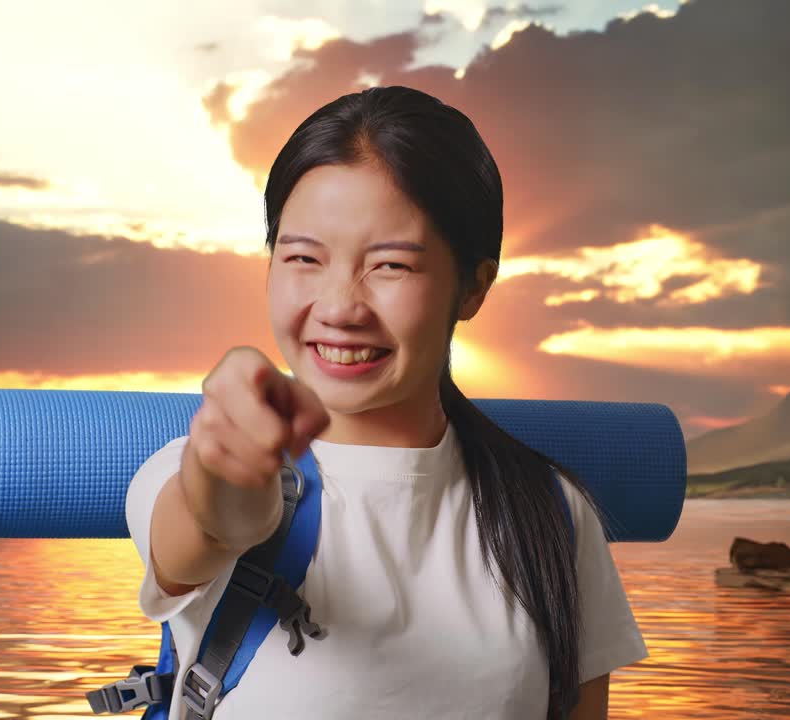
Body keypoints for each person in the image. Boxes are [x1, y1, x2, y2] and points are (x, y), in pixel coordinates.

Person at [124, 85, 648, 720]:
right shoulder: (180, 472)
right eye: (302, 258)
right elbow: (206, 528)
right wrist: (224, 479)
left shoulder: (552, 514)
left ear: (473, 287)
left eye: (391, 267)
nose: (341, 307)